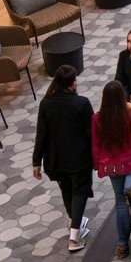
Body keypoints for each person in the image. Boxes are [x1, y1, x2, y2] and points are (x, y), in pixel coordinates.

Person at [32, 62, 95, 251]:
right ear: (73, 83)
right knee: (80, 191)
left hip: (56, 160)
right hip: (79, 159)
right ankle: (74, 237)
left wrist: (37, 161)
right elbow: (92, 133)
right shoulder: (82, 103)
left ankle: (75, 223)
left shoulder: (46, 103)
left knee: (67, 190)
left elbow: (41, 133)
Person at [92, 79, 131, 258]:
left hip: (112, 168)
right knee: (128, 199)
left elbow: (96, 145)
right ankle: (130, 191)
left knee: (120, 201)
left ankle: (122, 244)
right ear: (122, 97)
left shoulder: (98, 118)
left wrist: (98, 165)